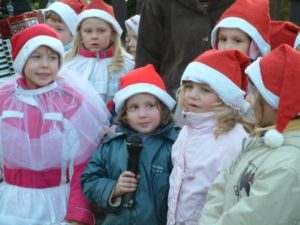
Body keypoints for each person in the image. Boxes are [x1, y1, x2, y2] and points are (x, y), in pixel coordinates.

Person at [0, 23, 110, 225]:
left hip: (58, 203)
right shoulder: (4, 100)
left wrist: (78, 215)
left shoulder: (71, 102)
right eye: (36, 57)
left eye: (52, 57)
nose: (45, 65)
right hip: (10, 203)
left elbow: (84, 164)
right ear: (21, 59)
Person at [198, 44, 300, 225]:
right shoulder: (259, 141)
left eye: (254, 91)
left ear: (276, 100)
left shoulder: (289, 166)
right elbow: (219, 191)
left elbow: (253, 218)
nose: (247, 99)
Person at [81, 64, 180, 225]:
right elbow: (89, 180)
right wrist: (114, 189)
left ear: (162, 107)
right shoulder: (111, 143)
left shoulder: (174, 145)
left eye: (150, 105)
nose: (142, 114)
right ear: (125, 113)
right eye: (134, 107)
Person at [167, 49, 253, 225]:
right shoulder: (187, 129)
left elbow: (233, 196)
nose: (193, 95)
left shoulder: (233, 140)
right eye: (189, 86)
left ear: (224, 97)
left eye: (205, 90)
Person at [135, 0, 234, 97]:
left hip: (228, 98)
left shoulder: (238, 3)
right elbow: (146, 63)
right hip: (173, 97)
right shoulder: (158, 4)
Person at [63, 0, 134, 105]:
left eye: (101, 31)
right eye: (88, 31)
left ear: (113, 32)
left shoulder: (127, 64)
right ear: (80, 33)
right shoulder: (68, 63)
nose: (94, 36)